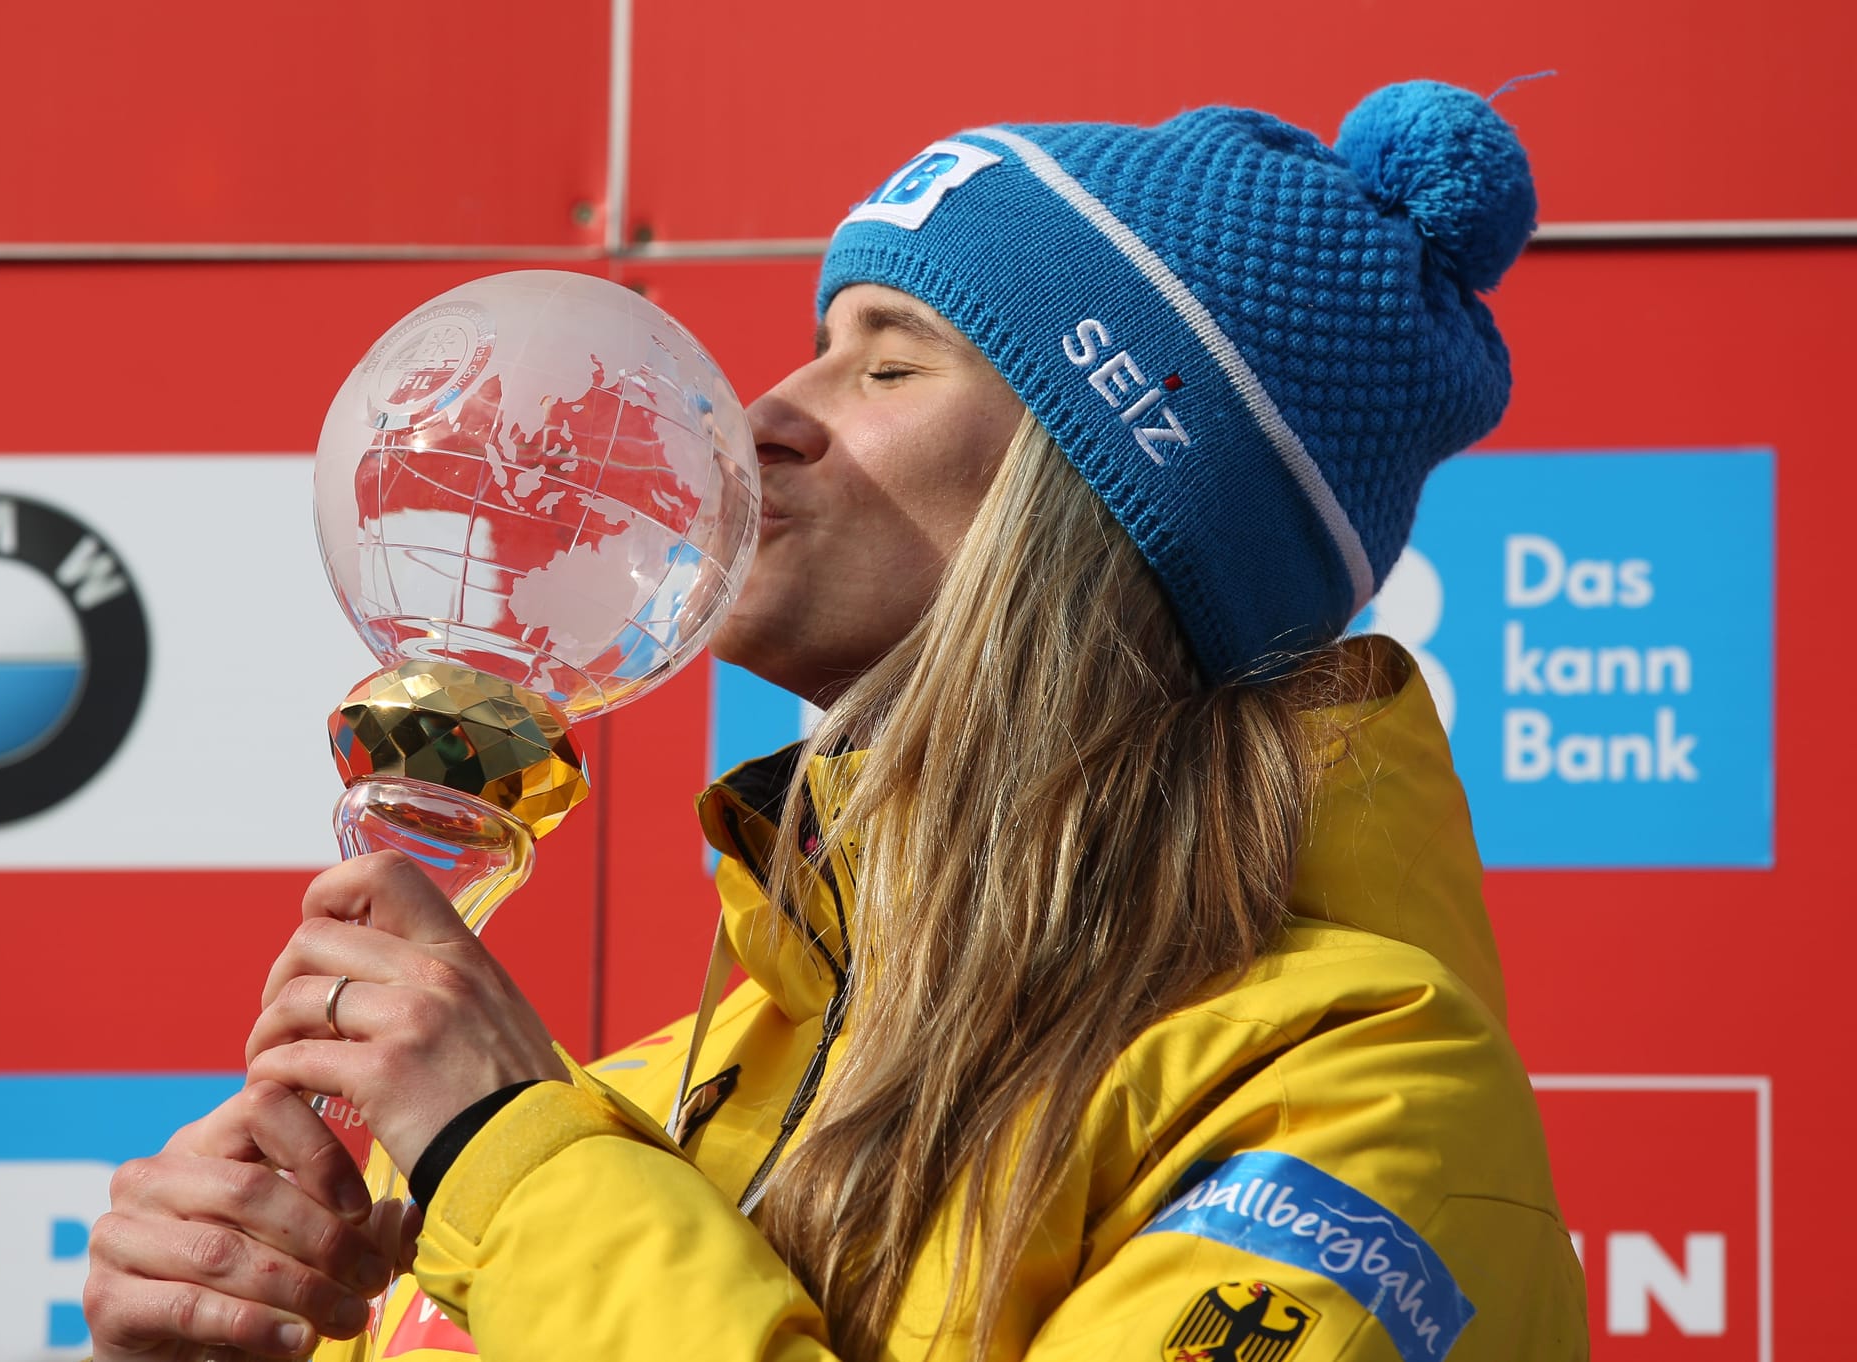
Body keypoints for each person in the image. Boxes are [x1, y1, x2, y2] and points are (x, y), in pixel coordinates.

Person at [84, 80, 1586, 1361]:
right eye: (814, 340)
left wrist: (515, 1160)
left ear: (1113, 508)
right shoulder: (645, 1105)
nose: (751, 419)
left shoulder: (1363, 1099)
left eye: (885, 361)